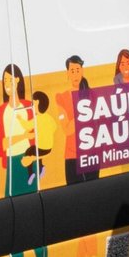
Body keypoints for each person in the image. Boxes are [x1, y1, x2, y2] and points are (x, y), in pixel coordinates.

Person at [0, 65, 48, 257]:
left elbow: (40, 137)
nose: (8, 83)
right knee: (15, 231)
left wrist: (14, 140)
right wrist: (22, 136)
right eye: (5, 79)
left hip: (28, 164)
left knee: (35, 228)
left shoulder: (29, 107)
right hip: (12, 167)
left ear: (20, 81)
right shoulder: (0, 111)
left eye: (11, 79)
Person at [54, 55, 92, 185]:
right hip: (72, 155)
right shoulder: (62, 97)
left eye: (77, 70)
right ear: (67, 73)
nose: (75, 74)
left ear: (82, 71)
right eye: (72, 71)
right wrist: (84, 113)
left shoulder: (93, 94)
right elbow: (67, 129)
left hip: (91, 153)